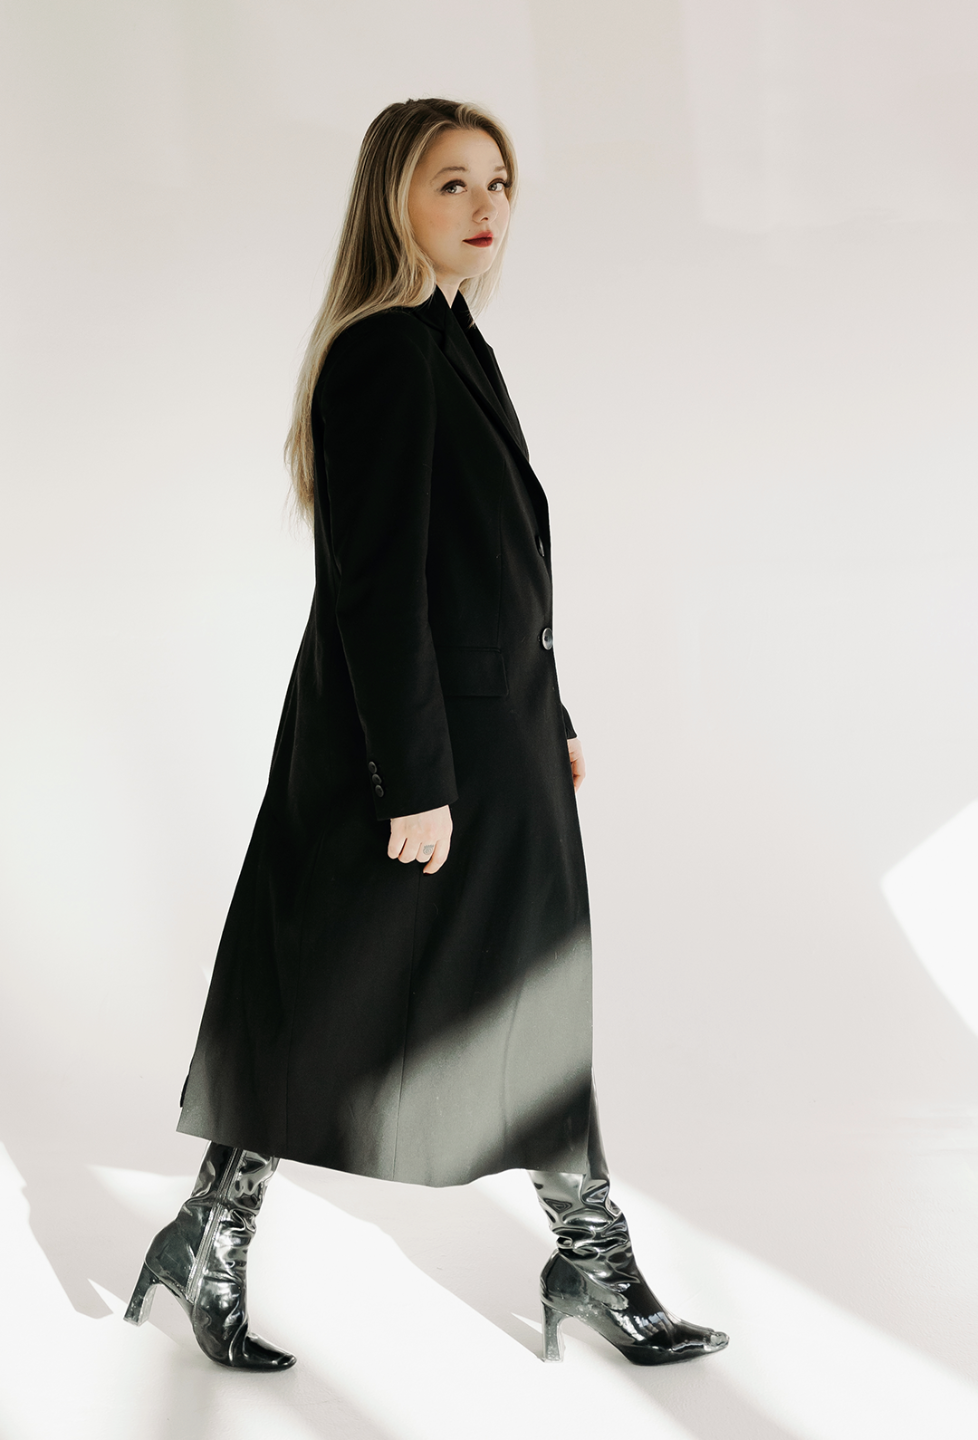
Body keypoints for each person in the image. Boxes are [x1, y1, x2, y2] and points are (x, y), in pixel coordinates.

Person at [124, 97, 729, 1372]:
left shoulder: (451, 341)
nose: (485, 206)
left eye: (499, 182)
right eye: (453, 182)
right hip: (415, 751)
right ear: (392, 198)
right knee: (328, 997)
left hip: (497, 741)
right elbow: (378, 588)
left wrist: (550, 709)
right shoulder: (385, 353)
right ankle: (210, 1236)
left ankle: (589, 1254)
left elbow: (488, 567)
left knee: (531, 997)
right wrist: (414, 781)